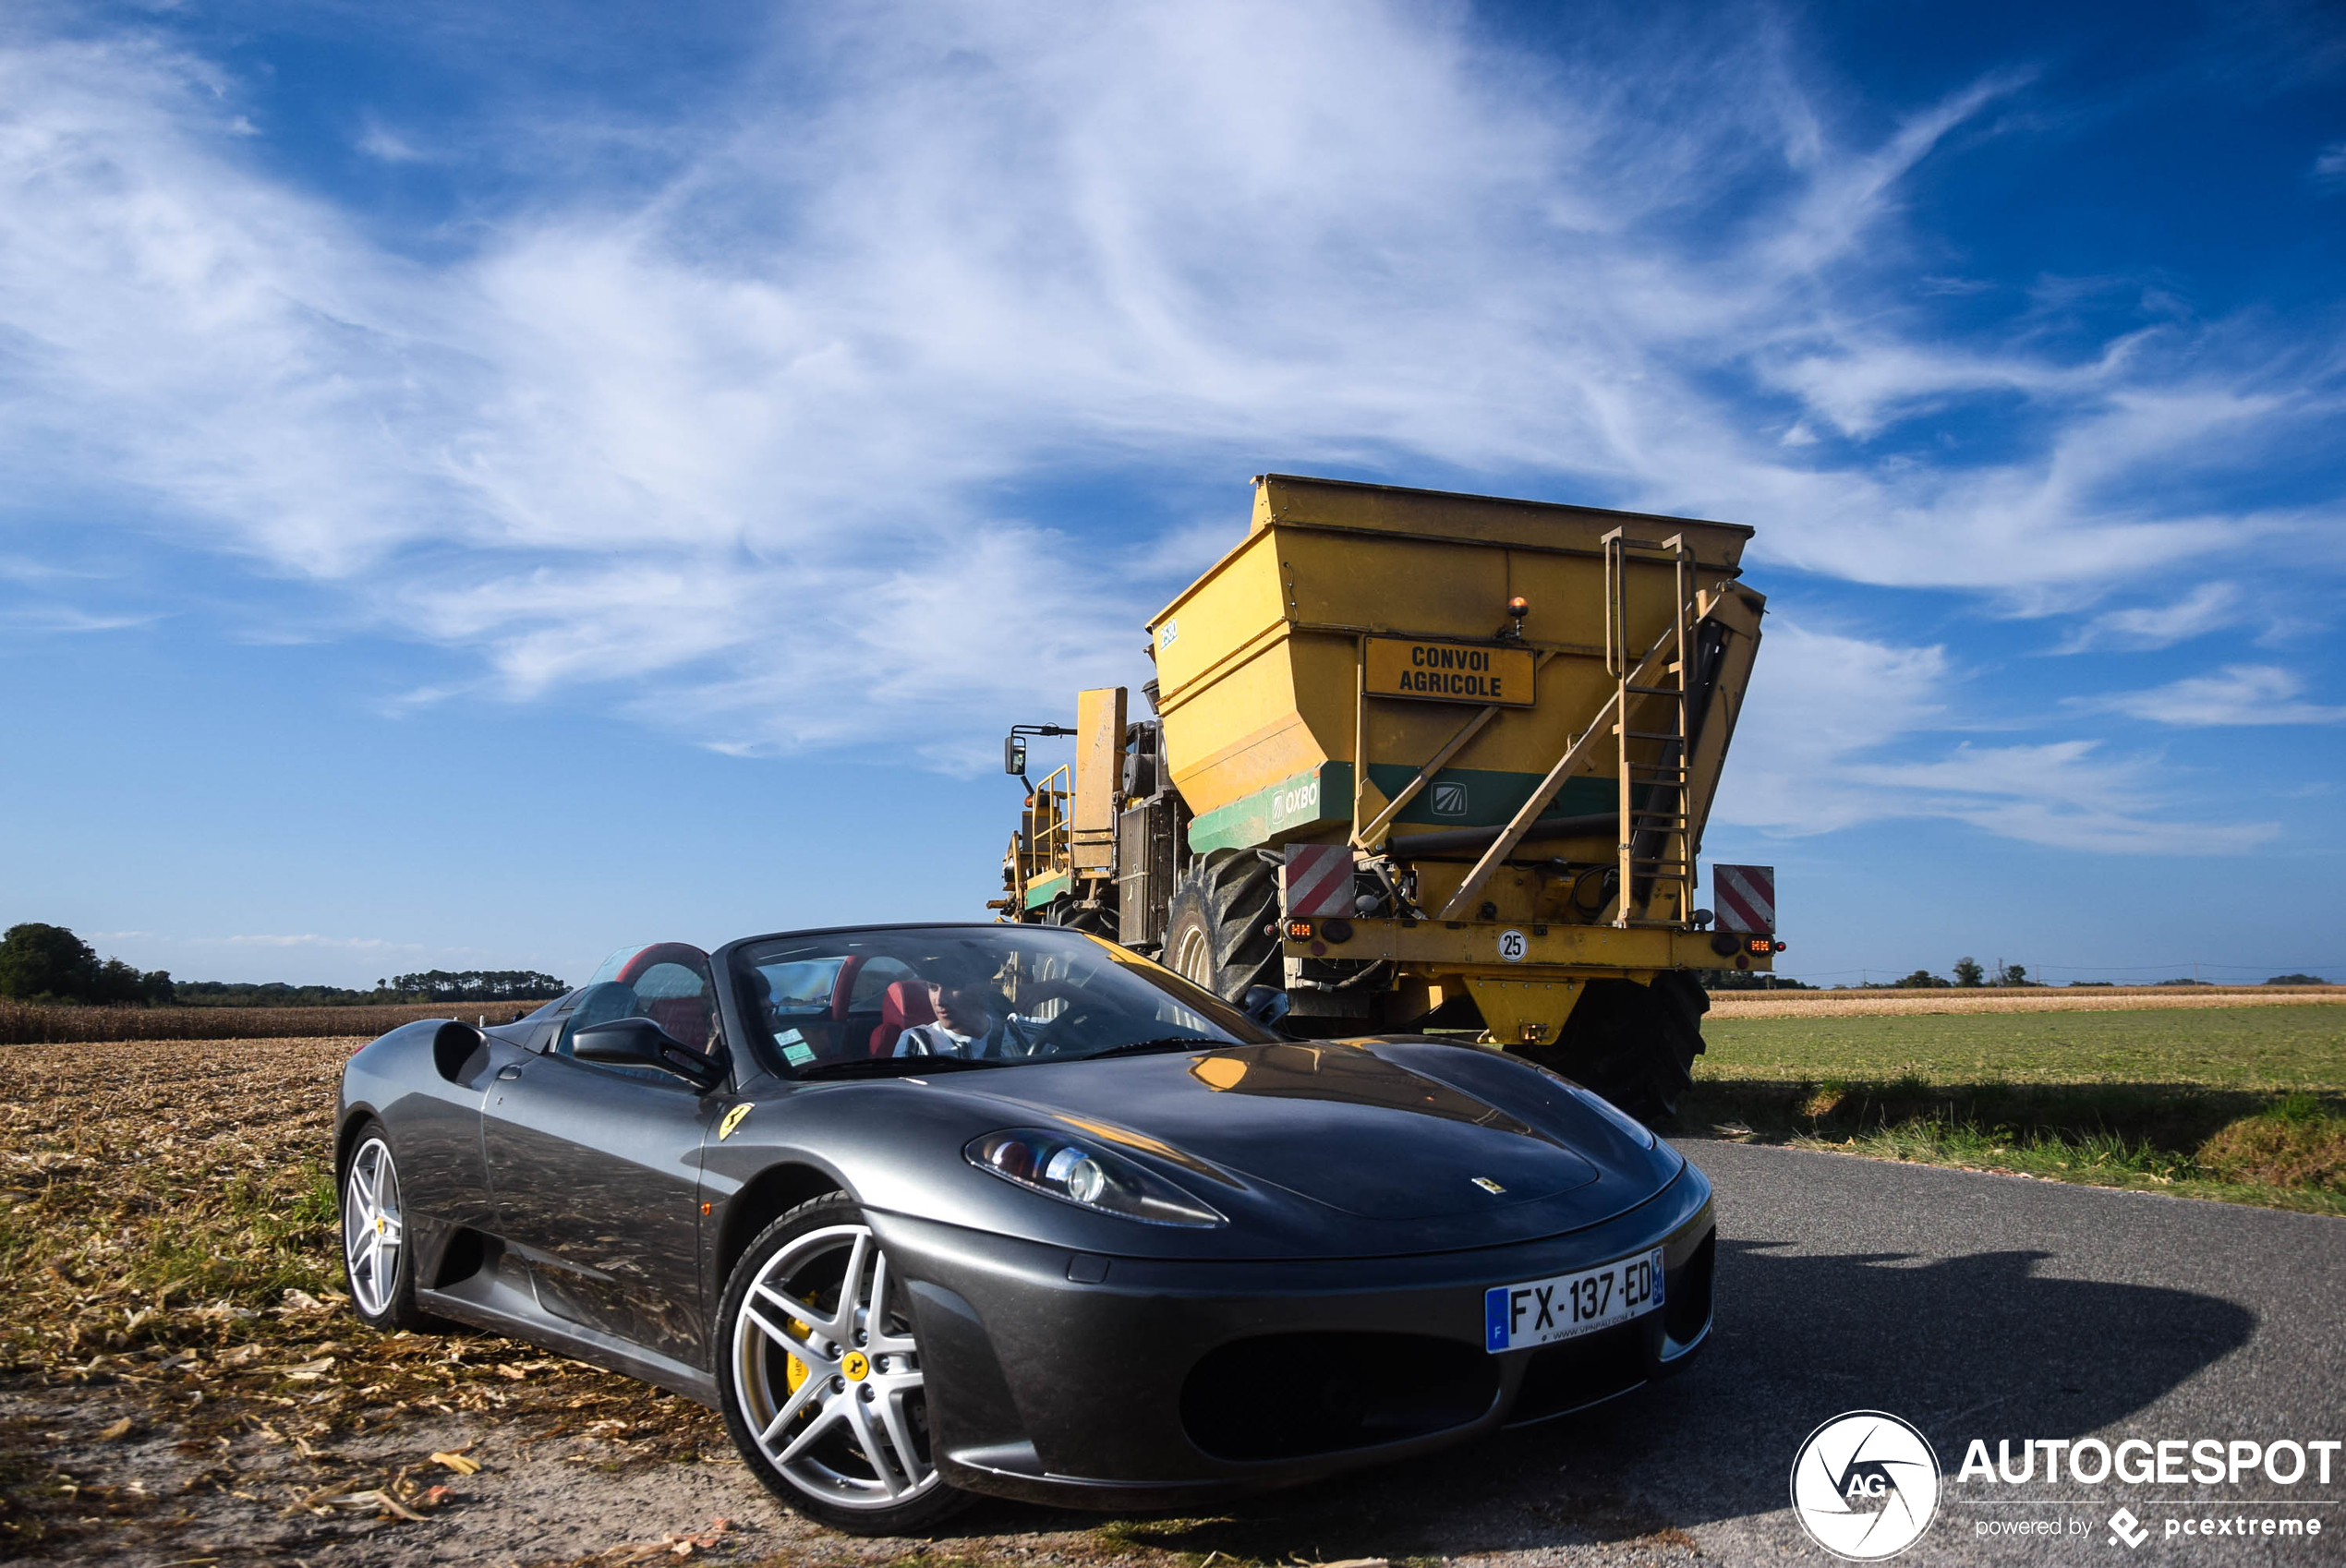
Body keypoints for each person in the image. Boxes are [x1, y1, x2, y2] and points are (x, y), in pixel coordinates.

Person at [893, 959, 1052, 1059]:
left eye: (953, 986)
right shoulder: (919, 1043)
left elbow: (1076, 1035)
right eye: (933, 988)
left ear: (983, 987)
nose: (939, 1000)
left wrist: (1062, 988)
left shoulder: (1021, 1030)